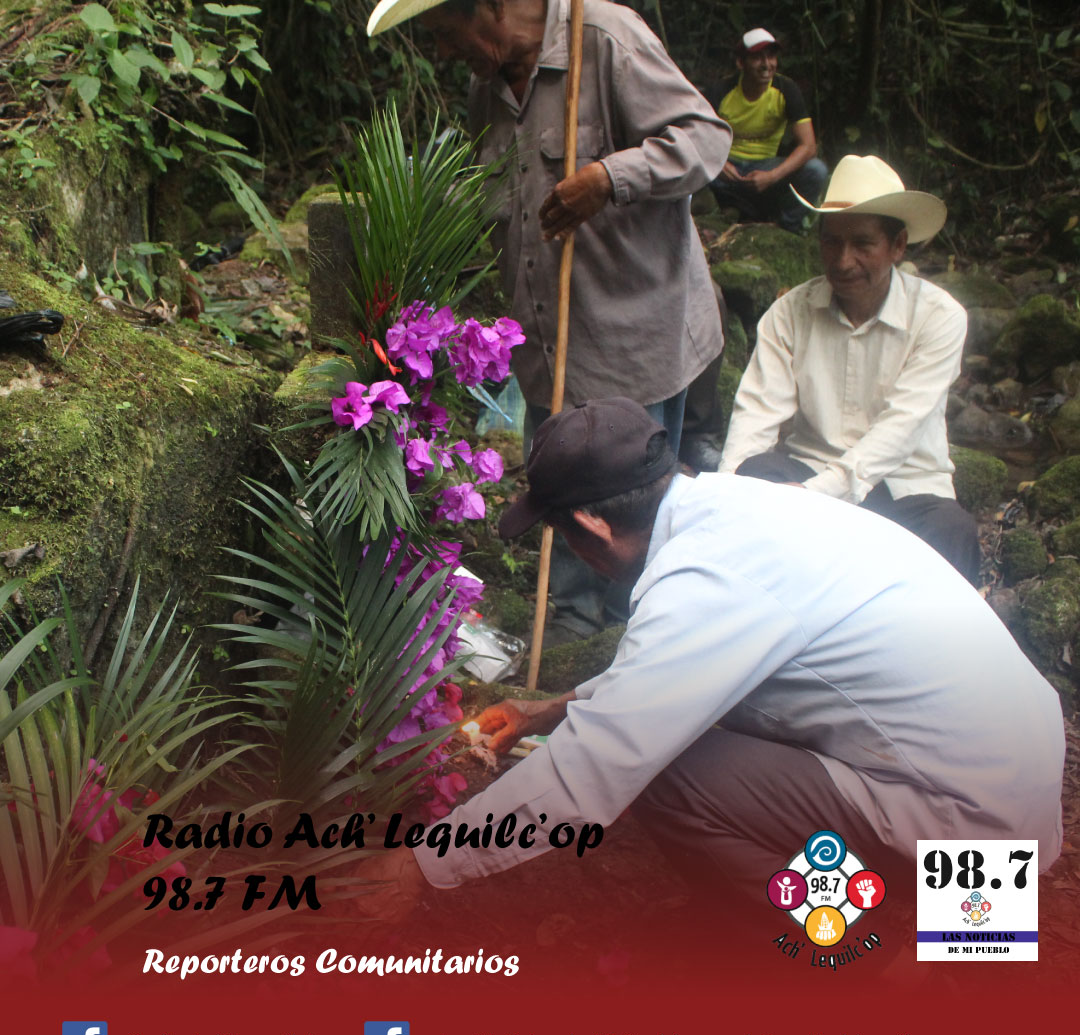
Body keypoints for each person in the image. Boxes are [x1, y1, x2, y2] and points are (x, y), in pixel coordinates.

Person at [355, 398, 1064, 918]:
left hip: (971, 838)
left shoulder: (704, 581)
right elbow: (676, 675)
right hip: (1013, 777)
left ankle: (859, 949)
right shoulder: (734, 508)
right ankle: (947, 931)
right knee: (679, 739)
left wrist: (424, 865)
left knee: (666, 773)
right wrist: (552, 710)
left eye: (561, 534)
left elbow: (596, 767)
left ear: (593, 525)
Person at [367, 0, 731, 642]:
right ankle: (571, 623)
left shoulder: (604, 36)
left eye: (445, 32)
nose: (443, 53)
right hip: (545, 334)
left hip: (635, 331)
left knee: (632, 505)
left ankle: (639, 631)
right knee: (561, 490)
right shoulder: (487, 88)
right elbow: (488, 196)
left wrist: (609, 176)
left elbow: (706, 139)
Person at [718, 154, 981, 584]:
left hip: (904, 489)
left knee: (952, 532)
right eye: (831, 242)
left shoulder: (939, 317)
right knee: (752, 475)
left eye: (862, 244)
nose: (842, 261)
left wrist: (814, 496)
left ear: (897, 245)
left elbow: (900, 429)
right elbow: (756, 414)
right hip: (809, 472)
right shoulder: (790, 313)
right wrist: (724, 498)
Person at [707, 27, 827, 234]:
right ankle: (722, 213)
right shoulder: (721, 91)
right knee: (688, 164)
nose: (766, 64)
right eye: (757, 58)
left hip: (766, 170)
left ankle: (785, 229)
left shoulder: (786, 89)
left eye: (771, 57)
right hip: (726, 171)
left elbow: (808, 147)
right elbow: (696, 137)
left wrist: (771, 176)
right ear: (741, 63)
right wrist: (718, 164)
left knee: (816, 170)